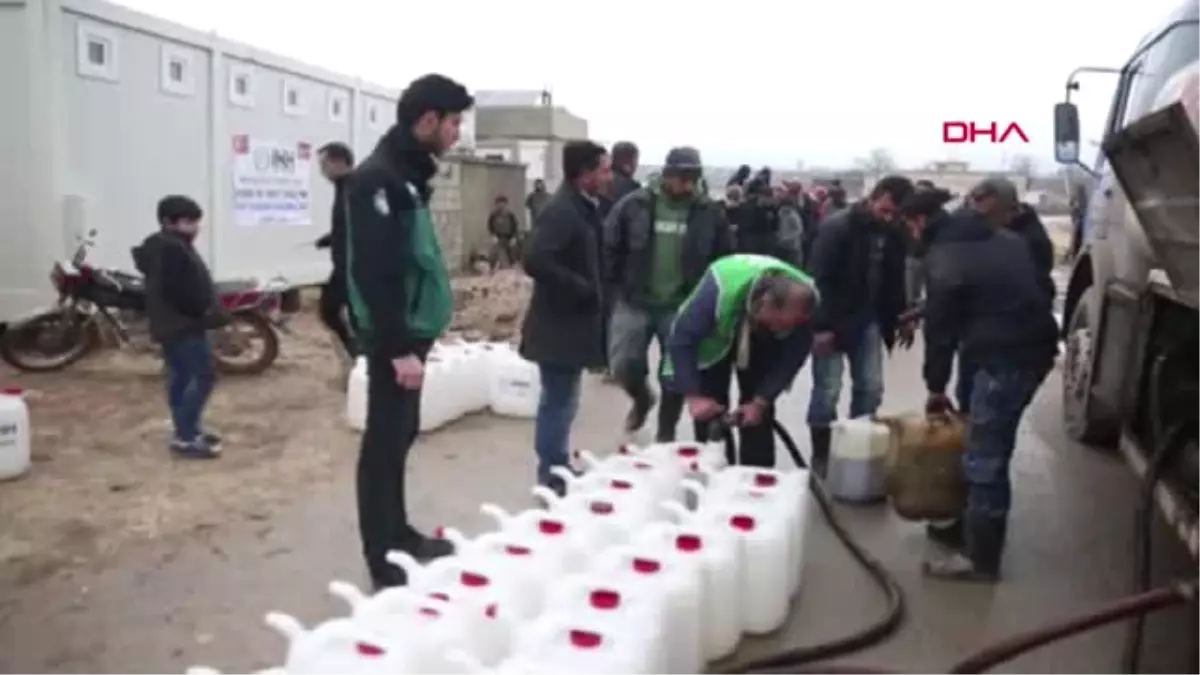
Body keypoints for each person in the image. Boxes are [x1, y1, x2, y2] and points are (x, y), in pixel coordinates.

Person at [343, 73, 474, 589]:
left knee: (400, 438)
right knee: (382, 447)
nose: (457, 132)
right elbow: (376, 270)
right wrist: (397, 349)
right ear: (427, 121)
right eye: (453, 121)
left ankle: (400, 536)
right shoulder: (377, 178)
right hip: (393, 340)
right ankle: (383, 560)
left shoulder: (407, 172)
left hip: (411, 335)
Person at [906, 196, 1058, 582]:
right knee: (983, 443)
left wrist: (935, 387)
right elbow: (996, 290)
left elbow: (941, 334)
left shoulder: (944, 255)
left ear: (920, 221)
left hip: (1004, 359)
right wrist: (930, 307)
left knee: (986, 458)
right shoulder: (1002, 238)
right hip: (1032, 348)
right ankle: (967, 527)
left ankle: (981, 561)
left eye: (909, 225)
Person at [603, 146, 733, 441]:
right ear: (667, 174)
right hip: (634, 299)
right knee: (623, 364)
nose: (687, 184)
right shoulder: (634, 205)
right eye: (682, 177)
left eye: (693, 177)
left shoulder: (708, 212)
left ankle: (665, 433)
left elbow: (724, 256)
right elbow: (610, 246)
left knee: (673, 373)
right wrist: (615, 288)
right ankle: (641, 398)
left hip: (682, 303)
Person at [519, 140, 612, 494]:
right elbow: (535, 258)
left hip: (570, 326)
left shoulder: (585, 207)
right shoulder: (563, 211)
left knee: (563, 399)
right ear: (584, 174)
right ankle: (552, 472)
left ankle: (556, 464)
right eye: (602, 170)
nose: (608, 177)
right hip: (556, 326)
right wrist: (582, 288)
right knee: (558, 401)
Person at [664, 254, 818, 467]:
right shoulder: (717, 292)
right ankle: (714, 470)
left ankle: (756, 477)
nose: (781, 328)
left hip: (759, 336)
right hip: (714, 335)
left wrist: (760, 401)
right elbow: (681, 339)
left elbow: (790, 360)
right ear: (764, 304)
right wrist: (694, 397)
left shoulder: (806, 305)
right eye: (778, 322)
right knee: (710, 411)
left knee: (757, 416)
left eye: (788, 326)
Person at [806, 176, 915, 476]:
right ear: (874, 197)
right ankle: (822, 453)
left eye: (896, 214)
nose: (890, 217)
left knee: (870, 387)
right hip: (832, 320)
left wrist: (901, 316)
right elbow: (818, 280)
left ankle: (856, 446)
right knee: (827, 389)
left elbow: (895, 280)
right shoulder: (836, 227)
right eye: (886, 210)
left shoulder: (895, 233)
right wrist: (820, 327)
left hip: (868, 321)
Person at [132, 195, 226, 460]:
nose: (194, 228)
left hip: (173, 324)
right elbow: (178, 291)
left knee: (182, 377)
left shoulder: (168, 244)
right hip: (182, 325)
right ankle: (186, 435)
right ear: (167, 222)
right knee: (203, 376)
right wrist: (201, 311)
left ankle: (187, 429)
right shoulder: (170, 249)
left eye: (196, 222)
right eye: (187, 222)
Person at [954, 177, 1055, 412]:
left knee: (989, 422)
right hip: (979, 340)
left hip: (1013, 347)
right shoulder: (978, 229)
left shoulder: (1029, 241)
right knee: (969, 403)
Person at [314, 142, 358, 376]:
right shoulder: (342, 187)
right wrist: (330, 239)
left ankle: (359, 355)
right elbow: (348, 226)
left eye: (324, 164)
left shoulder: (354, 188)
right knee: (334, 311)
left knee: (332, 310)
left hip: (354, 266)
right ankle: (357, 354)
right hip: (344, 265)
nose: (322, 170)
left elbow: (362, 227)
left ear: (339, 162)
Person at [487, 194, 521, 271]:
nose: (501, 205)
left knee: (513, 251)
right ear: (496, 204)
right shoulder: (493, 215)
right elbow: (490, 226)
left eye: (503, 203)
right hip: (497, 237)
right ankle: (492, 268)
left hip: (509, 237)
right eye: (499, 203)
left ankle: (514, 266)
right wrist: (493, 236)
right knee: (493, 253)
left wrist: (514, 237)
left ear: (506, 204)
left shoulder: (510, 215)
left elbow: (515, 226)